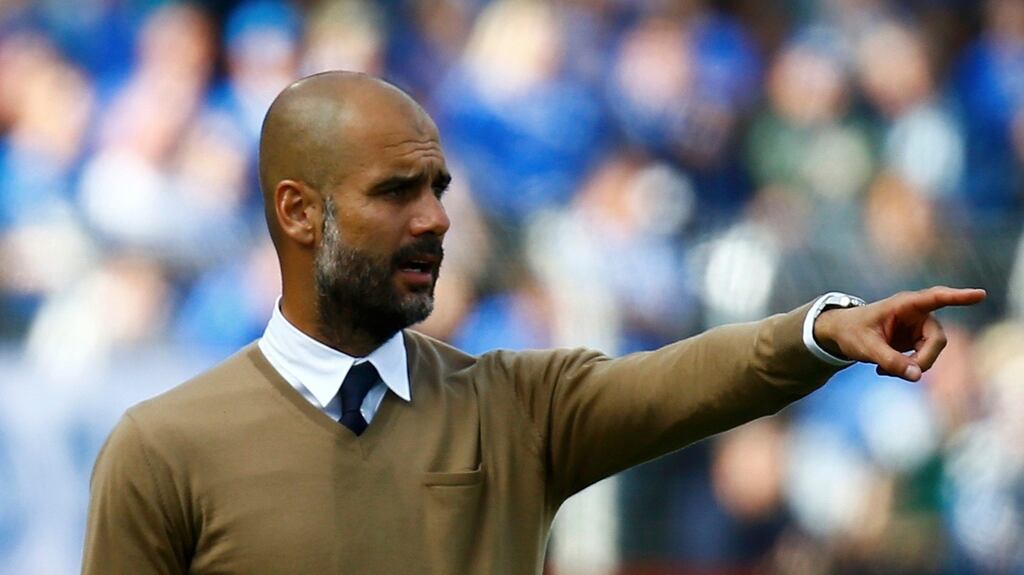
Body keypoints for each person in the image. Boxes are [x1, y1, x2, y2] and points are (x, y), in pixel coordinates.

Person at [81, 71, 985, 574]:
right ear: (298, 212)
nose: (435, 218)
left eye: (439, 188)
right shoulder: (164, 450)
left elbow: (685, 379)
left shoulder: (514, 406)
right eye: (397, 191)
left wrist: (821, 334)